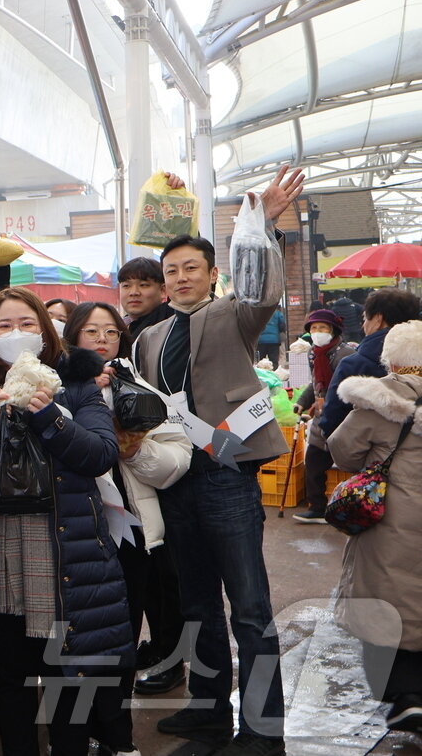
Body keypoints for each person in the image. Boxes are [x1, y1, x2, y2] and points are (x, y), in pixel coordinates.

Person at [132, 165, 304, 756]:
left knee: (250, 608)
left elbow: (259, 288)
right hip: (177, 480)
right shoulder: (149, 340)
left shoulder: (234, 314)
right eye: (170, 271)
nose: (179, 278)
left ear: (211, 275)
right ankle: (207, 712)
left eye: (190, 269)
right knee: (197, 604)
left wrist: (261, 225)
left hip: (228, 475)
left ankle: (262, 728)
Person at [0, 287, 131, 756]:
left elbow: (100, 453)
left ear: (47, 335)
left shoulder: (79, 385)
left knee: (68, 670)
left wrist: (49, 414)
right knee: (9, 672)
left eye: (27, 324)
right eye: (3, 326)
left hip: (64, 543)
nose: (16, 334)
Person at [63, 302, 192, 754]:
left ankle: (114, 731)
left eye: (110, 332)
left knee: (122, 637)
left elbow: (178, 458)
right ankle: (82, 731)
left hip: (134, 532)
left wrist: (135, 451)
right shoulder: (58, 388)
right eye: (90, 331)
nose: (101, 339)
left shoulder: (136, 384)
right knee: (80, 643)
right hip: (77, 535)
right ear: (71, 337)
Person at [328, 320, 422, 734]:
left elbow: (342, 451)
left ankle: (405, 696)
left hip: (391, 522)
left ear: (392, 359)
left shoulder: (378, 401)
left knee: (390, 602)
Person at [317, 288, 422, 449]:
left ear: (378, 319)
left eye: (365, 318)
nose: (363, 324)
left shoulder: (353, 364)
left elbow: (331, 421)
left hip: (369, 460)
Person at [292, 308, 356, 523]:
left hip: (343, 418)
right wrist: (302, 403)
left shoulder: (344, 354)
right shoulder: (315, 353)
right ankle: (318, 507)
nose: (317, 332)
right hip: (324, 417)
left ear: (333, 330)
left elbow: (343, 388)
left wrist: (325, 403)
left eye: (322, 328)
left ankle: (354, 507)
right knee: (314, 460)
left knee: (350, 462)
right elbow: (315, 384)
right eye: (313, 328)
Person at [117, 257, 171, 342]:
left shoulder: (171, 325)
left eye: (143, 285)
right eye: (126, 286)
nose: (134, 292)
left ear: (163, 290)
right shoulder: (117, 328)